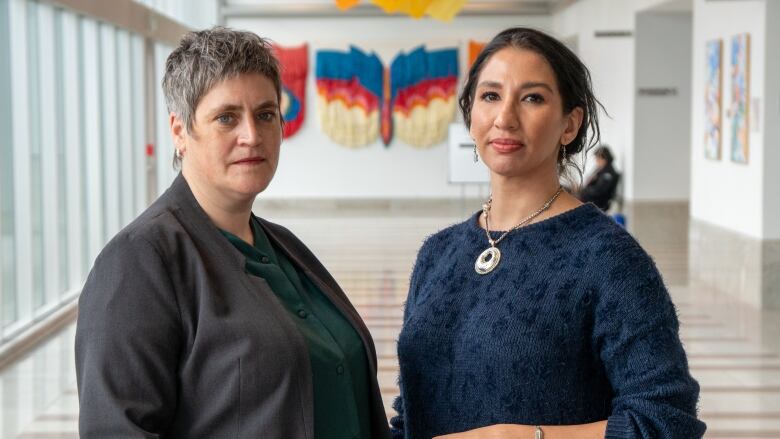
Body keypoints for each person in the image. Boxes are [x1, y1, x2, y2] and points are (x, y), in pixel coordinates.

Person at [75, 27, 390, 439]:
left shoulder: (284, 246)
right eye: (226, 118)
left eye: (266, 114)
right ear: (180, 131)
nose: (252, 136)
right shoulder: (138, 263)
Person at [390, 27, 704, 439]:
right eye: (490, 96)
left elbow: (667, 420)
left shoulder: (607, 257)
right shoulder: (438, 252)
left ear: (569, 125)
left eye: (532, 98)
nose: (505, 118)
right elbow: (410, 412)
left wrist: (519, 437)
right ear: (471, 116)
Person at [578, 145, 620, 211]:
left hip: (598, 203)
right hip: (590, 200)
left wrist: (583, 190)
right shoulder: (599, 169)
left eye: (597, 158)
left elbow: (599, 191)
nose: (596, 161)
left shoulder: (608, 172)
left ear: (604, 158)